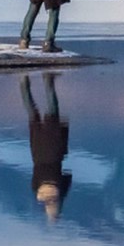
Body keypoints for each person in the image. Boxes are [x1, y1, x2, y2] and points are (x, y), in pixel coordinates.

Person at [20, 73, 72, 220]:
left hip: (55, 151)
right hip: (37, 152)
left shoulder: (61, 191)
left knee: (52, 110)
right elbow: (34, 178)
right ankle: (24, 84)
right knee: (33, 115)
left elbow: (68, 176)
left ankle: (48, 81)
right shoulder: (36, 190)